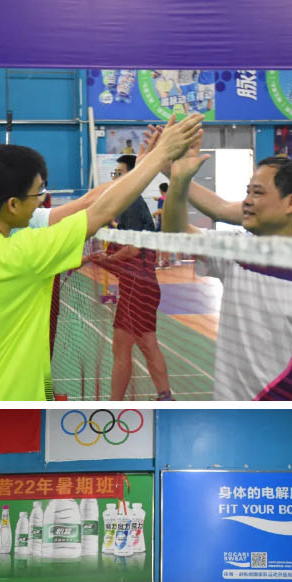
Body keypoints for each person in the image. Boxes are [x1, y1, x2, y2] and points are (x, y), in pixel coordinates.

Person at [0, 115, 202, 401]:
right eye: (38, 192)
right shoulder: (34, 250)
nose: (41, 199)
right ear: (13, 205)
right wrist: (161, 156)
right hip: (18, 420)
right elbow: (101, 210)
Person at [162, 149, 292, 401]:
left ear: (291, 203)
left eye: (257, 193)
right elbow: (175, 233)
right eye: (247, 192)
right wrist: (179, 180)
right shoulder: (234, 250)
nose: (246, 201)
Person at [102, 152, 173, 401]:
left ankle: (164, 396)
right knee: (123, 346)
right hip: (136, 285)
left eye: (120, 173)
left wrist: (106, 259)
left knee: (145, 344)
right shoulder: (129, 203)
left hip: (138, 287)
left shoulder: (132, 203)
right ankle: (119, 401)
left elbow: (133, 249)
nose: (116, 178)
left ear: (133, 175)